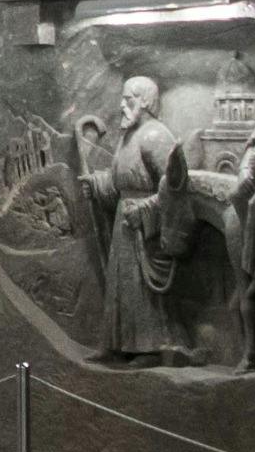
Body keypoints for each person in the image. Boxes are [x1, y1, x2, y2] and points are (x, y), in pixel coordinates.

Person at [74, 75, 200, 365]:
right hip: (125, 222)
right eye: (122, 99)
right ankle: (117, 344)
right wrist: (97, 184)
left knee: (141, 287)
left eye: (128, 99)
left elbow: (175, 188)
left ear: (144, 102)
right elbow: (120, 182)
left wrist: (145, 209)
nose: (122, 105)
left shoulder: (156, 136)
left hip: (144, 227)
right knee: (122, 285)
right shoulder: (128, 136)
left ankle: (151, 348)